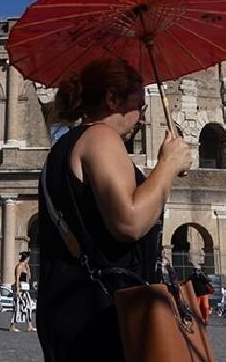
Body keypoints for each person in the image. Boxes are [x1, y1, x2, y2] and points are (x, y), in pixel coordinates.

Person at [36, 58, 192, 362]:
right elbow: (129, 221)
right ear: (112, 99)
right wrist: (168, 165)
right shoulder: (100, 138)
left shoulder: (62, 149)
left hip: (69, 311)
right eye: (139, 107)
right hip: (104, 314)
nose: (142, 119)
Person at [9, 251, 37, 332]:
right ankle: (12, 326)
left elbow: (29, 278)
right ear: (26, 258)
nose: (29, 260)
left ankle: (30, 326)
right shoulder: (19, 266)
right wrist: (17, 290)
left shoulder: (26, 266)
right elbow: (17, 278)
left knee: (28, 307)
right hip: (20, 289)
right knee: (17, 308)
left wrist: (28, 270)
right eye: (29, 258)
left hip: (25, 289)